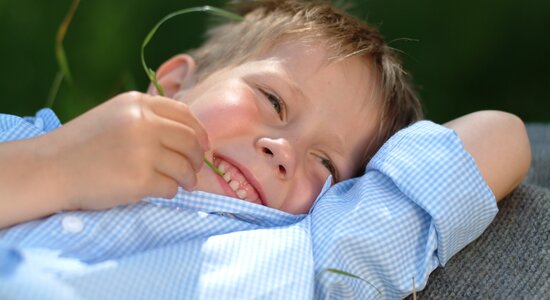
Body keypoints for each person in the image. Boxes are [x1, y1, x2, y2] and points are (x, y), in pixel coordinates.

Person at [0, 0, 531, 298]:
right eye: (272, 100)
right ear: (174, 83)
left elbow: (501, 135)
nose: (284, 151)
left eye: (326, 162)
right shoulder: (33, 144)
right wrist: (55, 167)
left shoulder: (308, 251)